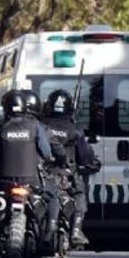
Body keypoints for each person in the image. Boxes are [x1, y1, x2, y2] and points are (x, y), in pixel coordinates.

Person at [0, 90, 64, 251]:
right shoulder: (35, 126)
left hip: (3, 183)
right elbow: (47, 153)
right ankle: (48, 237)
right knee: (53, 197)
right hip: (31, 183)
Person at [42, 89, 99, 248]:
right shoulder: (75, 130)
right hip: (66, 177)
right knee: (80, 193)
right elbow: (85, 156)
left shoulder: (41, 126)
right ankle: (75, 230)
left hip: (43, 174)